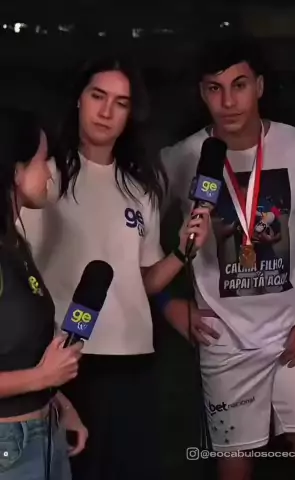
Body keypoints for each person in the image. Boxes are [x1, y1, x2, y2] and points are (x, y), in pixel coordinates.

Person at [159, 36, 295, 480]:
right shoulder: (180, 159)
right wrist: (167, 305)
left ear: (260, 86)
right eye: (215, 88)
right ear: (202, 92)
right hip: (224, 345)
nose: (228, 102)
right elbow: (131, 242)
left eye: (240, 85)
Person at [19, 57, 211, 480]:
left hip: (134, 362)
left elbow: (141, 281)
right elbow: (21, 275)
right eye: (98, 96)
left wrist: (181, 254)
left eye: (120, 103)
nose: (106, 112)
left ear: (130, 114)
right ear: (79, 99)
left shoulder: (141, 189)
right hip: (68, 362)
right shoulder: (42, 180)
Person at [0, 107, 88, 480]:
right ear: (15, 171)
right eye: (42, 160)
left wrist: (57, 400)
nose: (50, 173)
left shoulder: (14, 244)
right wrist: (41, 378)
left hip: (44, 434)